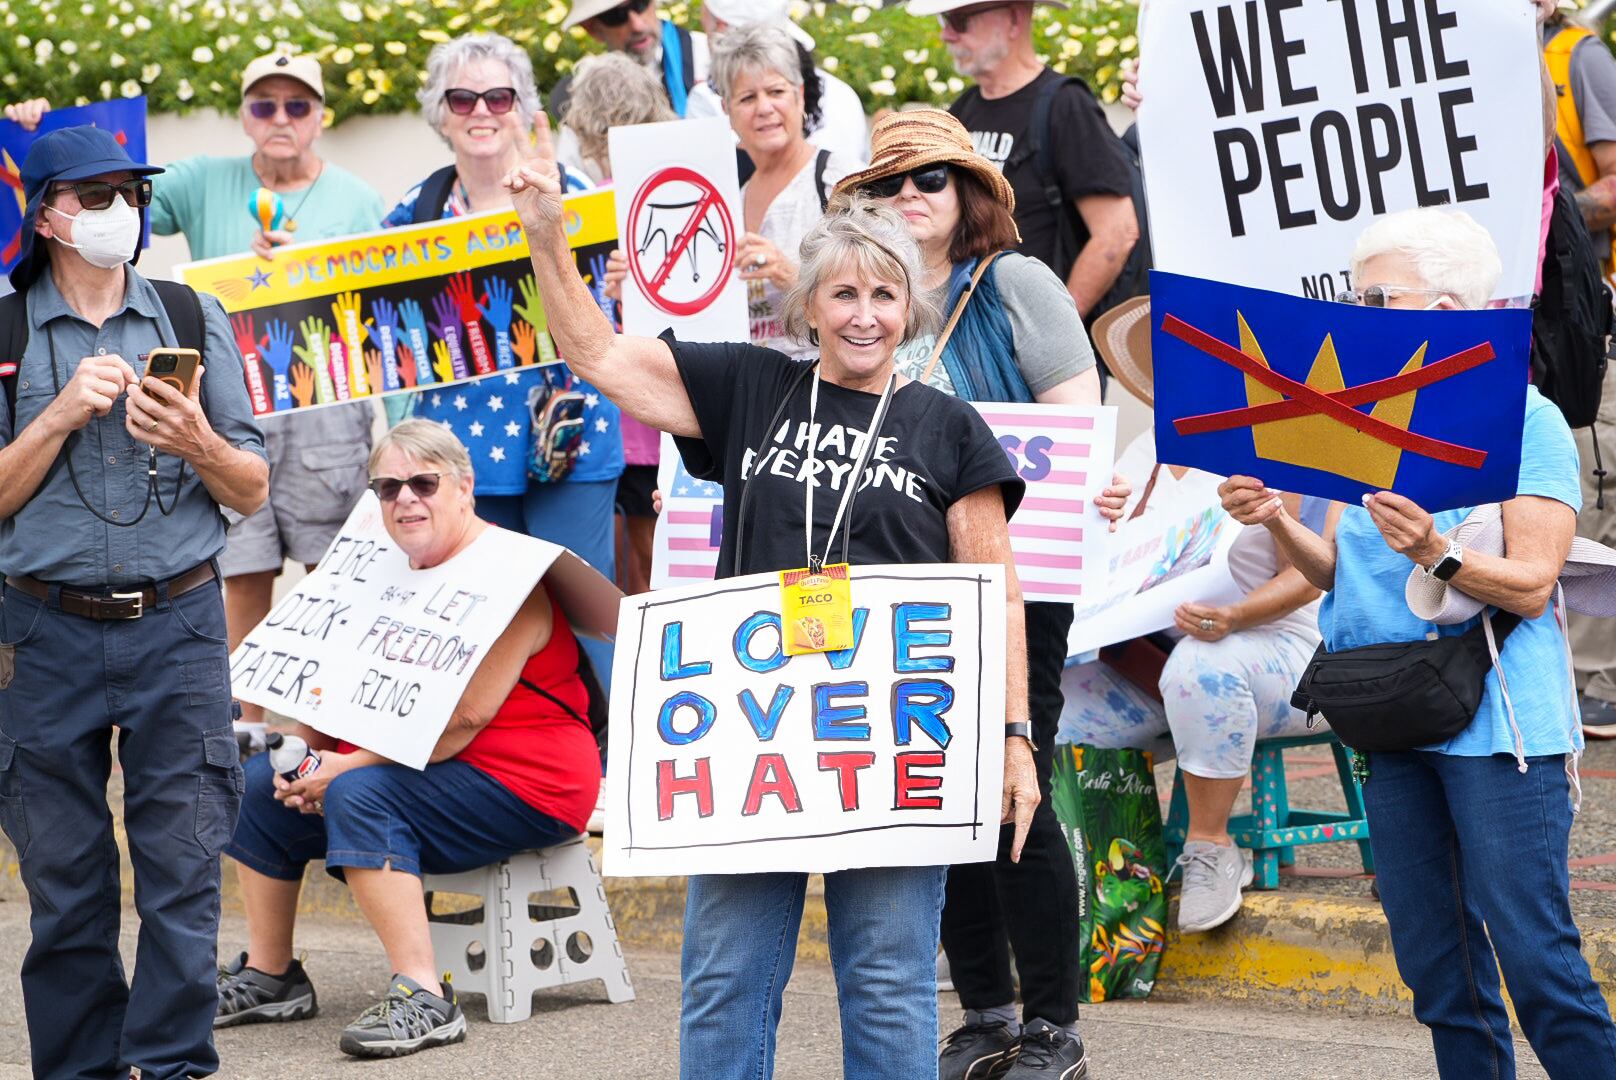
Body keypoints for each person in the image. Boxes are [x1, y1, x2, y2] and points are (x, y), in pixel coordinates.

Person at [504, 118, 1039, 1080]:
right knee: (724, 978)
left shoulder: (945, 425)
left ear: (910, 307)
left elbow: (997, 589)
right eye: (844, 293)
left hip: (892, 743)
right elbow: (596, 354)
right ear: (809, 307)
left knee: (886, 980)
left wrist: (1012, 738)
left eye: (885, 294)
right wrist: (546, 234)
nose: (865, 314)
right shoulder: (749, 387)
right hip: (750, 740)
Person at [1221, 208, 1616, 1079]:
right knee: (1438, 971)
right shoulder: (1359, 416)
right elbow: (1336, 575)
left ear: (1440, 310)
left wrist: (1436, 551)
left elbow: (1537, 581)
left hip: (1495, 729)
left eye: (1375, 295)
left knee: (1536, 962)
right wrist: (1278, 517)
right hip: (1391, 719)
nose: (1355, 310)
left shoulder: (1525, 416)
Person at [839, 106, 1124, 1080]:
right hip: (901, 589)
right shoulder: (865, 301)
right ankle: (986, 1014)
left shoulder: (1016, 282)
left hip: (1015, 580)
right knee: (935, 795)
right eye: (885, 185)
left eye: (926, 180)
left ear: (968, 193)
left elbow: (1073, 423)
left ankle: (1051, 1025)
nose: (904, 198)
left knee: (1014, 785)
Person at [8, 54, 386, 743]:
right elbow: (80, 159)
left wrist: (197, 440)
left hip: (311, 419)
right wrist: (33, 120)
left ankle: (331, 750)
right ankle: (248, 735)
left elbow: (397, 293)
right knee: (244, 580)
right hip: (50, 623)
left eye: (297, 106)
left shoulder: (353, 202)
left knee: (337, 583)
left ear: (322, 117)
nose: (120, 210)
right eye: (264, 105)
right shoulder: (207, 181)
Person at [0, 126, 268, 1080]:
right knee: (65, 885)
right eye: (96, 193)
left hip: (180, 625)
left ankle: (172, 1067)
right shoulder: (4, 331)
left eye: (131, 191)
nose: (121, 210)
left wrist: (196, 438)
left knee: (184, 874)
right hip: (38, 632)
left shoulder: (193, 316)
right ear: (47, 213)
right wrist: (61, 412)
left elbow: (250, 488)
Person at [217, 419, 603, 1058]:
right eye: (388, 487)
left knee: (362, 794)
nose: (404, 499)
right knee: (260, 782)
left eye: (423, 482)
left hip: (527, 783)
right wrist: (303, 754)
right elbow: (338, 688)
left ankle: (425, 995)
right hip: (413, 770)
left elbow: (460, 722)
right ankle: (272, 973)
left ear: (464, 488)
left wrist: (338, 771)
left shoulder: (511, 579)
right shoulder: (378, 571)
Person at [1057, 301, 1332, 938]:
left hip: (1281, 654)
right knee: (1044, 708)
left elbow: (1313, 573)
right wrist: (1103, 514)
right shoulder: (1146, 445)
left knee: (1202, 667)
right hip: (1149, 653)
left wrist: (1235, 615)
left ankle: (1210, 848)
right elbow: (1109, 565)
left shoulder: (1286, 442)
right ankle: (1068, 894)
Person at [381, 32, 623, 687]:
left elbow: (630, 315)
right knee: (483, 613)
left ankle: (616, 754)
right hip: (463, 446)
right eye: (462, 98)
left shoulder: (577, 195)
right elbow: (358, 319)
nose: (480, 110)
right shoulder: (411, 212)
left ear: (522, 106)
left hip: (567, 433)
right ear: (440, 113)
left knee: (588, 608)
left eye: (498, 95)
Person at [911, 0, 1138, 321]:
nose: (947, 34)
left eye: (960, 20)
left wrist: (1054, 332)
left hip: (1040, 351)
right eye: (943, 20)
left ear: (1015, 19)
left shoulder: (1064, 104)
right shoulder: (964, 110)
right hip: (975, 336)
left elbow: (1117, 233)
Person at [559, 51, 677, 598]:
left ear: (584, 122)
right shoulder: (675, 189)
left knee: (623, 569)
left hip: (612, 408)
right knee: (669, 560)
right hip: (669, 395)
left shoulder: (585, 205)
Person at [1542, 9, 1616, 739]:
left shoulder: (1580, 58)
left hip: (1589, 319)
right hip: (1530, 323)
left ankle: (1597, 682)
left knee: (1597, 493)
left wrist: (1548, 210)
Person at [689, 0, 870, 165]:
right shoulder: (843, 93)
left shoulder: (704, 98)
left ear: (799, 96)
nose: (765, 108)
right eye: (748, 98)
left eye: (776, 92)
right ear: (725, 106)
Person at [547, 0, 711, 173]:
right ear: (592, 29)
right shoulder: (590, 97)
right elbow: (572, 177)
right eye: (616, 16)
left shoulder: (709, 58)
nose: (637, 25)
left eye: (640, 4)